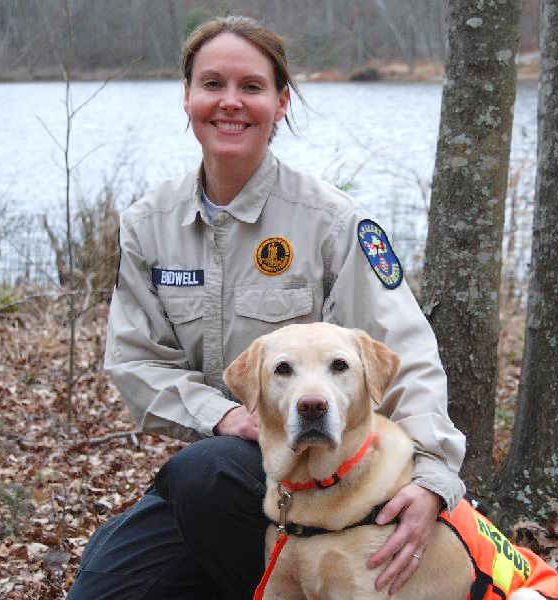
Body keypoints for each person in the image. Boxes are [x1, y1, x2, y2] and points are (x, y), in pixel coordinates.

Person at [67, 15, 466, 600]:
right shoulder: (149, 225)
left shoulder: (333, 224)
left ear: (281, 102)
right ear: (186, 96)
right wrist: (222, 415)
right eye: (212, 84)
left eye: (251, 86)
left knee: (202, 473)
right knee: (103, 587)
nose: (230, 102)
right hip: (223, 476)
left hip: (334, 476)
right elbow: (135, 362)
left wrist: (432, 477)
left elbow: (406, 353)